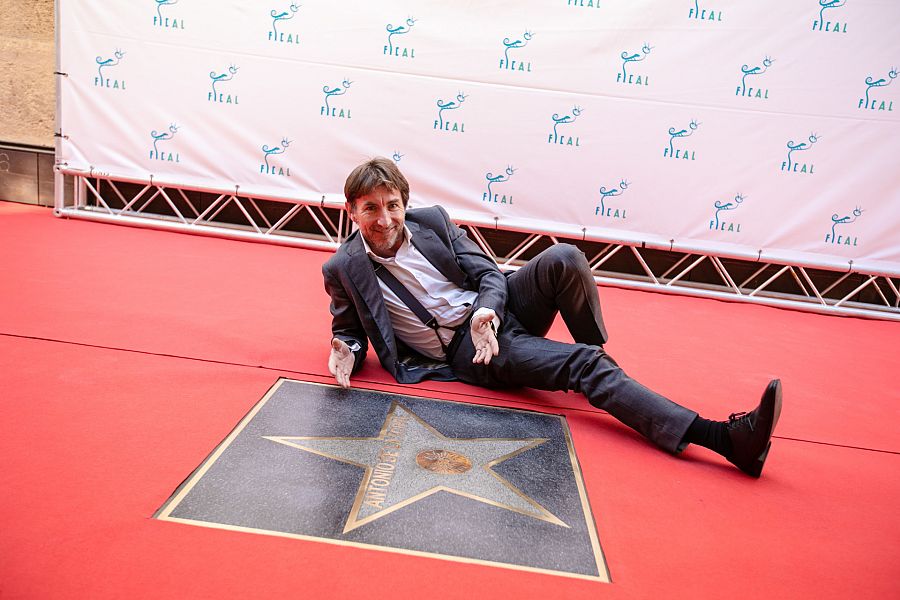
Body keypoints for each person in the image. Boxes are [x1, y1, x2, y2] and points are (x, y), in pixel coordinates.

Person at [322, 157, 782, 477]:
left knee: (564, 258)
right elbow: (349, 332)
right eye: (371, 208)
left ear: (405, 202)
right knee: (583, 368)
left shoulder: (432, 222)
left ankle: (600, 363)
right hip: (466, 350)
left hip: (491, 317)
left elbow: (489, 274)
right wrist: (348, 352)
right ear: (352, 210)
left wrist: (487, 310)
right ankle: (726, 441)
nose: (384, 219)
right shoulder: (343, 267)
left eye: (392, 205)